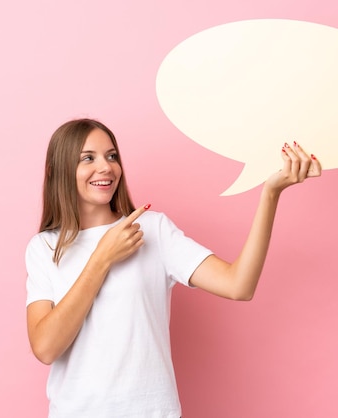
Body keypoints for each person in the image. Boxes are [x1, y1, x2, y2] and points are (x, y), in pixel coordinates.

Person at [25, 118, 321, 417]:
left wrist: (270, 194)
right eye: (88, 158)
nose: (106, 167)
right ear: (60, 170)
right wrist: (102, 259)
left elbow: (239, 285)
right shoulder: (44, 248)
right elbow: (46, 348)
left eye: (112, 156)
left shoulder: (153, 230)